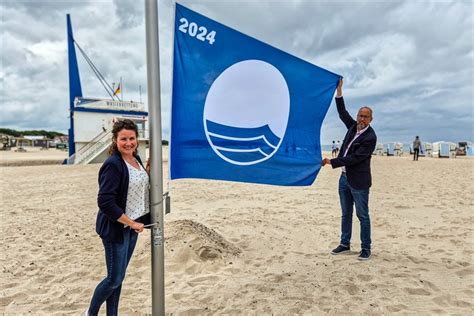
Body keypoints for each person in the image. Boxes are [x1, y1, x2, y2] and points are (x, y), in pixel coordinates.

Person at [87, 119, 151, 315]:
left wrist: (148, 170)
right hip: (117, 228)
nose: (128, 143)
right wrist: (131, 223)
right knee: (113, 279)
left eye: (132, 138)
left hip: (132, 228)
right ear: (115, 140)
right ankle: (91, 313)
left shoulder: (136, 159)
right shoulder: (113, 164)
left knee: (119, 277)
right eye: (123, 139)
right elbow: (105, 202)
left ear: (137, 139)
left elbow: (135, 185)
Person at [321, 79, 377, 261]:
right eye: (360, 115)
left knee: (362, 215)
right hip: (344, 179)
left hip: (359, 182)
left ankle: (366, 248)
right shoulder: (353, 127)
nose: (361, 119)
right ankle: (345, 244)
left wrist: (332, 161)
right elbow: (342, 112)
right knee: (346, 213)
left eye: (365, 116)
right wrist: (339, 90)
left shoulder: (370, 137)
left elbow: (355, 158)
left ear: (371, 119)